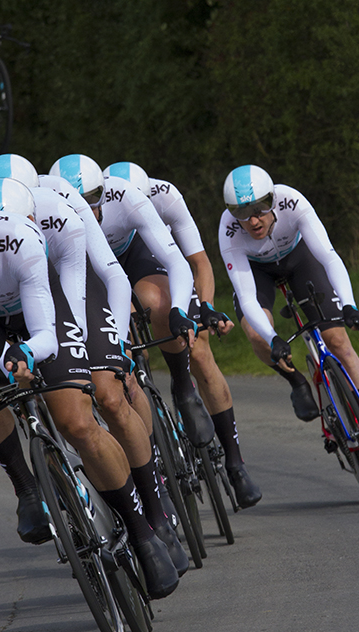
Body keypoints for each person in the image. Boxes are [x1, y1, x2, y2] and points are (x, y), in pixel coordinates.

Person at [0, 184, 180, 599]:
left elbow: (45, 337)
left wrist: (22, 355)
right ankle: (26, 487)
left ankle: (143, 533)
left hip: (40, 314)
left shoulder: (19, 240)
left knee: (77, 423)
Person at [0, 157, 189, 575]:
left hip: (70, 297)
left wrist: (116, 346)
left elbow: (109, 277)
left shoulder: (61, 207)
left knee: (110, 394)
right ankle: (34, 486)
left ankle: (156, 510)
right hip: (4, 306)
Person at [219, 165, 359, 474]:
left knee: (338, 342)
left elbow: (329, 256)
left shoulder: (292, 202)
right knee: (255, 334)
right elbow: (247, 296)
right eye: (242, 212)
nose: (253, 220)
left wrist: (349, 305)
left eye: (260, 209)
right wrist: (272, 338)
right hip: (257, 273)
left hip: (298, 260)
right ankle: (296, 381)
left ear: (273, 199)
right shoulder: (229, 230)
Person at [105, 161, 262, 508]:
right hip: (101, 264)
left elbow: (199, 262)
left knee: (198, 347)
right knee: (127, 358)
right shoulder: (94, 208)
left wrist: (204, 308)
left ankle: (235, 463)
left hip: (145, 253)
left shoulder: (165, 197)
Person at [49, 155, 219, 453]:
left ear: (104, 192)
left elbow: (178, 261)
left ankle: (182, 386)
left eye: (92, 199)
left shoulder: (125, 196)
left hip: (130, 255)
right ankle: (148, 450)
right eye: (76, 201)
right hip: (88, 268)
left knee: (160, 303)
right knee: (118, 357)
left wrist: (179, 309)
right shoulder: (56, 220)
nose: (85, 209)